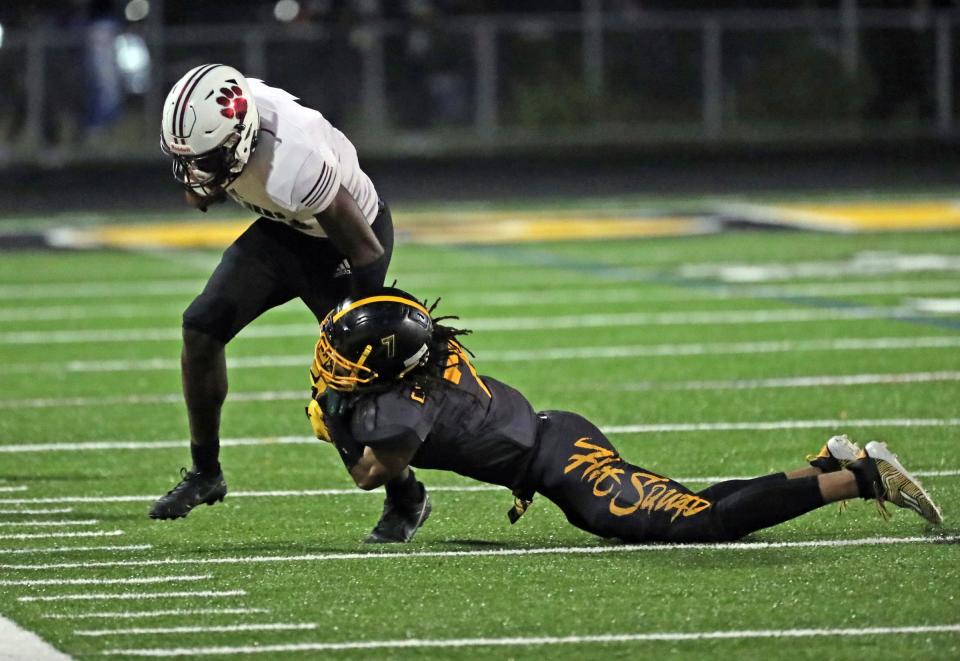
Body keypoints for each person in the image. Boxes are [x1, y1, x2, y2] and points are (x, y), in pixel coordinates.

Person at [305, 289, 943, 544]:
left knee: (703, 526)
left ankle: (862, 478)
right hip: (556, 443)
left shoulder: (405, 408)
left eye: (348, 355)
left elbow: (371, 474)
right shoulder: (419, 367)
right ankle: (827, 468)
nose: (335, 360)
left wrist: (335, 420)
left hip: (563, 465)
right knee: (696, 508)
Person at [149, 64, 430, 544]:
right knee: (201, 326)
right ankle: (205, 472)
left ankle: (406, 497)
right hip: (288, 230)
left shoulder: (293, 160)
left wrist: (351, 333)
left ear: (238, 142)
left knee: (345, 388)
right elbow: (206, 175)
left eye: (206, 160)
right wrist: (206, 176)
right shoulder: (226, 118)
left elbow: (366, 250)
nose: (194, 173)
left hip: (345, 244)